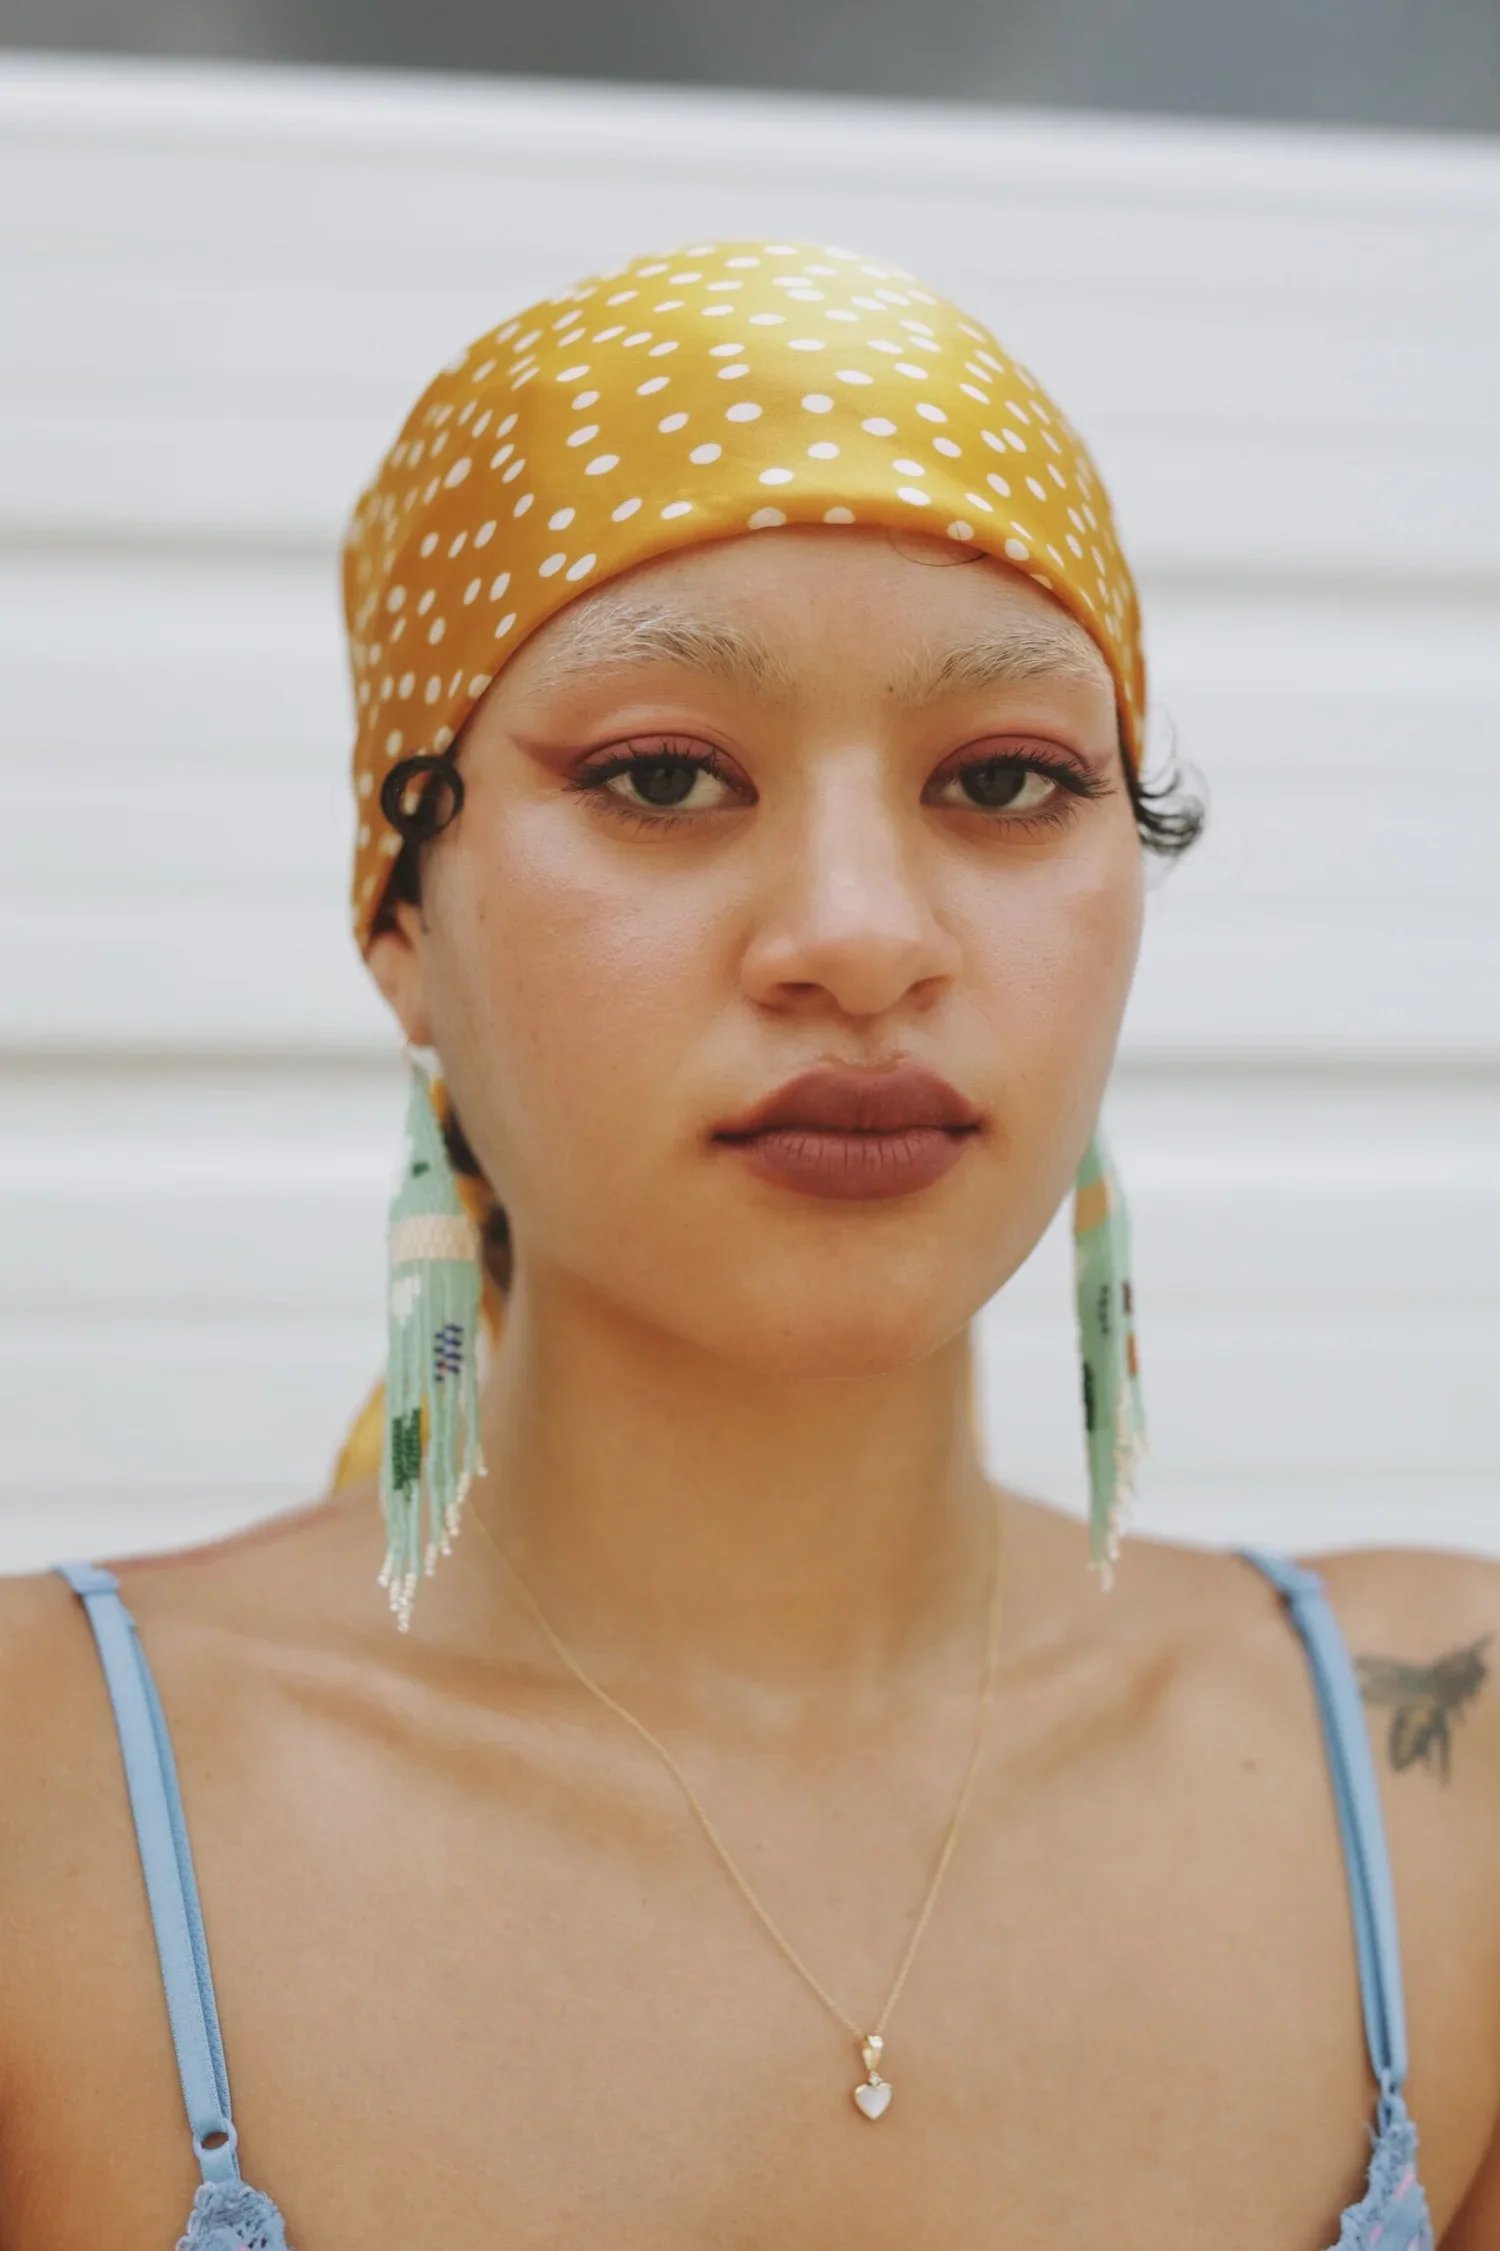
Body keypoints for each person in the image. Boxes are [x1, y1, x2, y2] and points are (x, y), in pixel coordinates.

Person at [1, 236, 1497, 2251]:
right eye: (662, 774)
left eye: (1007, 780)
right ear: (398, 912)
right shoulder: (49, 1817)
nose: (865, 933)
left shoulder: (1444, 1789)